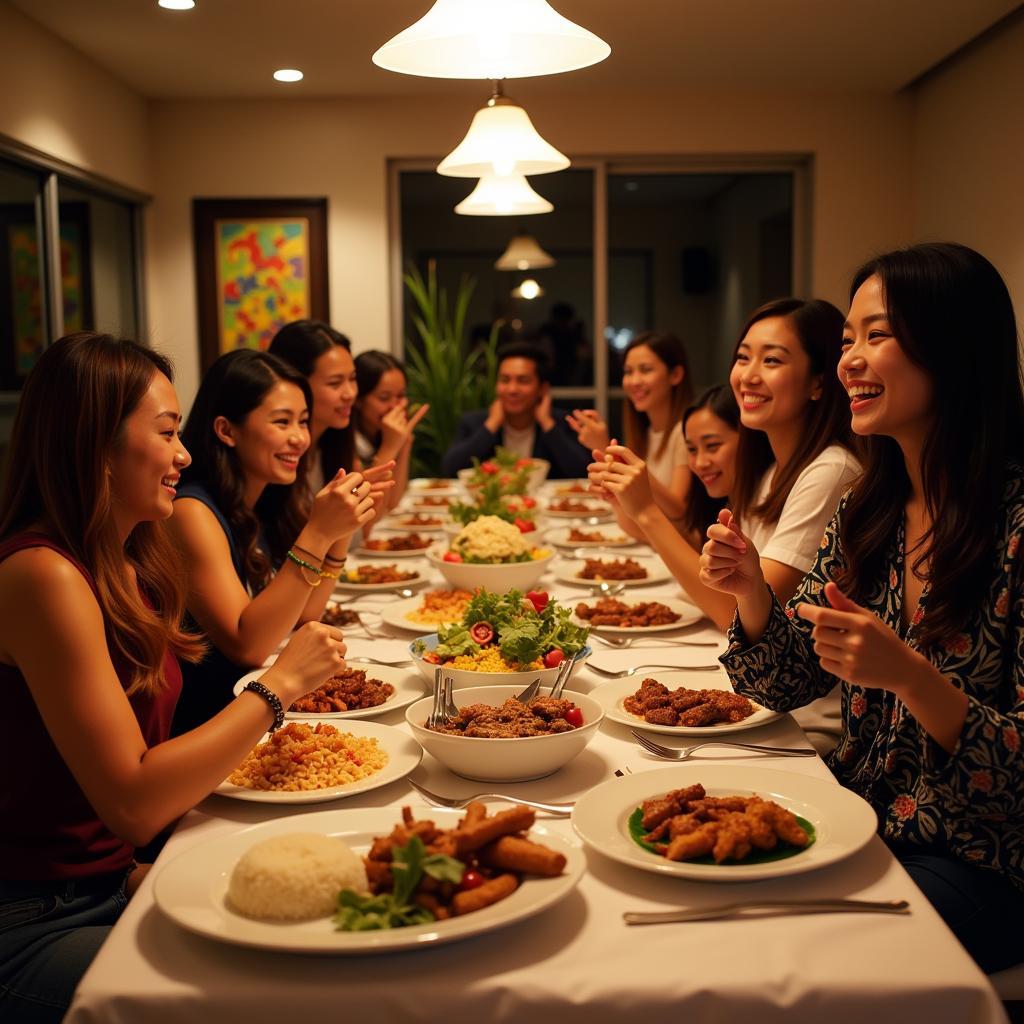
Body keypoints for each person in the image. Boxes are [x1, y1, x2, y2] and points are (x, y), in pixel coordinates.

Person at [0, 333, 347, 1023]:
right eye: (166, 433)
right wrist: (278, 688)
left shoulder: (131, 561)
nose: (185, 457)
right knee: (282, 998)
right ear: (95, 442)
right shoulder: (42, 575)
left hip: (112, 882)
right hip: (36, 919)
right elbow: (129, 803)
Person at [701, 242, 1024, 974]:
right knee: (707, 902)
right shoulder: (868, 509)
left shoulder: (1014, 525)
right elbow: (784, 684)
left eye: (877, 336)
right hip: (858, 808)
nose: (848, 359)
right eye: (847, 340)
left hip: (980, 858)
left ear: (954, 348)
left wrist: (912, 677)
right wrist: (751, 588)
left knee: (793, 958)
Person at [590, 298, 859, 754]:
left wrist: (647, 514)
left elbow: (736, 613)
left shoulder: (830, 470)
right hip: (756, 699)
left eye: (772, 359)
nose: (748, 374)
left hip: (799, 723)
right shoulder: (773, 470)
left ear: (819, 381)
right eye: (743, 356)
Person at [167, 349, 392, 735]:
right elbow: (248, 646)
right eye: (282, 421)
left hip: (267, 710)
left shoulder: (264, 502)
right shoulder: (191, 511)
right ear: (226, 430)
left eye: (303, 421)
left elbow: (305, 615)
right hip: (215, 725)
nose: (300, 438)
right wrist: (318, 532)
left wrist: (339, 535)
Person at [568, 331, 694, 536]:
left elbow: (677, 508)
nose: (634, 381)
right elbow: (635, 517)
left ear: (675, 375)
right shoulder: (646, 431)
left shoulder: (684, 432)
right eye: (628, 371)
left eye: (645, 370)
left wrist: (607, 449)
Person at [441, 342, 590, 479]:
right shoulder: (473, 422)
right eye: (504, 380)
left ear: (542, 389)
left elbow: (583, 472)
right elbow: (449, 470)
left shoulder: (562, 422)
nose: (512, 389)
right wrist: (491, 425)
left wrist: (547, 424)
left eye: (523, 380)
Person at [268, 320, 357, 493]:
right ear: (296, 384)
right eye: (335, 383)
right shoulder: (278, 452)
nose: (350, 393)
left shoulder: (335, 441)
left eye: (352, 379)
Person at [353, 350, 429, 510]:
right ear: (358, 400)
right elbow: (371, 513)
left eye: (401, 396)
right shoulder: (349, 442)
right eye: (384, 398)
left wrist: (404, 442)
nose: (396, 406)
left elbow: (393, 503)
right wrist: (390, 447)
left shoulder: (381, 434)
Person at [681, 384, 740, 547]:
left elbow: (703, 572)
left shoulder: (763, 500)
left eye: (712, 445)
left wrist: (646, 512)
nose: (700, 463)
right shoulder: (716, 505)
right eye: (692, 449)